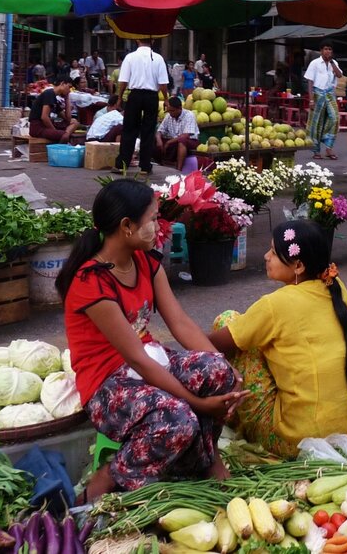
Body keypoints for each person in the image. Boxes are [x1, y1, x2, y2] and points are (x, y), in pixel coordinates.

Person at [59, 180, 244, 497]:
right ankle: (111, 475)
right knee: (178, 418)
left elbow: (181, 323)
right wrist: (199, 403)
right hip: (107, 384)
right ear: (127, 226)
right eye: (154, 219)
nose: (160, 227)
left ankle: (203, 458)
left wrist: (228, 369)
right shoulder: (91, 281)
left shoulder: (145, 262)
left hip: (149, 360)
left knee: (217, 372)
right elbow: (136, 359)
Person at [209, 221, 347, 456]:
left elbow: (213, 344)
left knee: (228, 320)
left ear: (298, 265)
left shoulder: (276, 305)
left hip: (298, 441)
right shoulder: (335, 285)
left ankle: (226, 415)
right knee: (266, 338)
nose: (265, 256)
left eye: (273, 252)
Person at [114, 38, 171, 176]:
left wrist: (120, 98)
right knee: (148, 130)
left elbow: (123, 81)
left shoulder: (130, 57)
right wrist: (167, 100)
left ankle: (122, 164)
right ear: (153, 41)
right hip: (152, 97)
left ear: (137, 40)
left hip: (135, 96)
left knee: (129, 129)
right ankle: (145, 166)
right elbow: (163, 84)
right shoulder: (158, 59)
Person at [305, 42, 343, 160]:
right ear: (321, 51)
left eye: (330, 49)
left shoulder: (334, 63)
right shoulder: (315, 63)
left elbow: (339, 75)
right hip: (317, 93)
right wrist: (311, 99)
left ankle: (328, 146)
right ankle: (316, 150)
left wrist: (332, 62)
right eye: (325, 49)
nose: (327, 51)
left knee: (335, 118)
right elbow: (310, 82)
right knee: (316, 122)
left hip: (330, 93)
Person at [156, 96, 200, 170]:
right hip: (174, 141)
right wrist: (159, 140)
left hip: (190, 141)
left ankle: (178, 169)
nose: (170, 113)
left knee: (182, 141)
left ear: (180, 108)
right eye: (169, 111)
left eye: (172, 111)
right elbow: (160, 130)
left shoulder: (189, 115)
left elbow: (185, 136)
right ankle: (160, 164)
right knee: (154, 140)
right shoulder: (168, 116)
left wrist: (169, 142)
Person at [30, 78, 79, 143]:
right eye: (69, 87)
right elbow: (44, 117)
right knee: (64, 136)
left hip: (47, 125)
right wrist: (54, 131)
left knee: (74, 122)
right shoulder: (49, 93)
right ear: (62, 83)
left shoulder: (54, 99)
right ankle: (60, 143)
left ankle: (67, 133)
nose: (69, 91)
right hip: (38, 128)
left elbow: (68, 119)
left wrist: (67, 99)